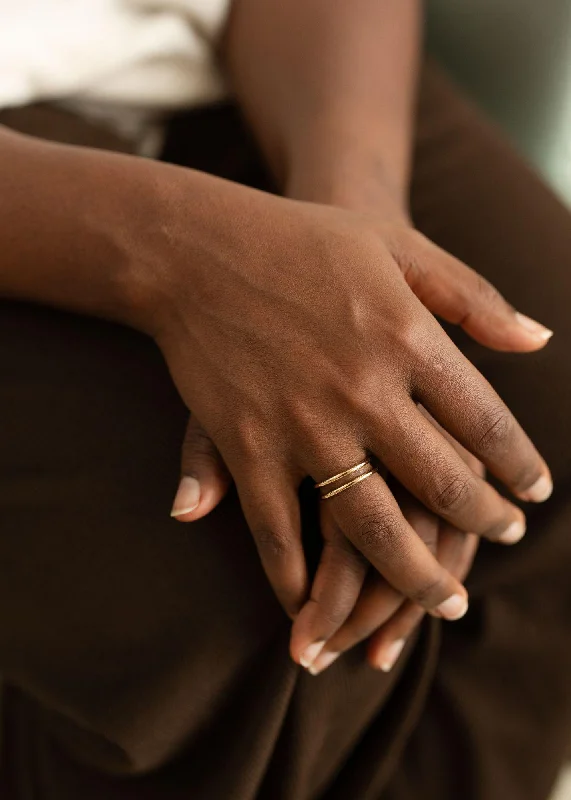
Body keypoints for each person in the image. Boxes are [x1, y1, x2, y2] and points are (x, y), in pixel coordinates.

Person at [0, 1, 570, 798]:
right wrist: (181, 258)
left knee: (542, 422)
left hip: (242, 53)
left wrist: (351, 223)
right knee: (256, 594)